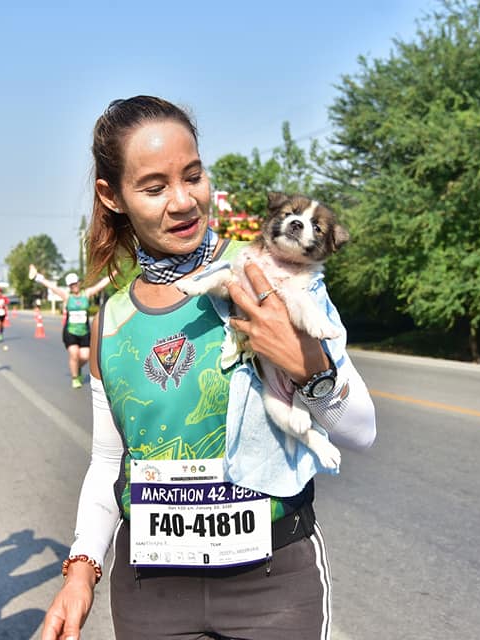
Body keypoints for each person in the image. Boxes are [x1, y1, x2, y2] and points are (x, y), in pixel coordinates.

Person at [41, 96, 376, 640]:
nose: (182, 202)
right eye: (154, 187)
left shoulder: (269, 271)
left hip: (273, 587)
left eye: (192, 176)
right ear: (113, 195)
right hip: (151, 594)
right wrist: (81, 570)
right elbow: (109, 462)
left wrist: (307, 366)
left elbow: (361, 430)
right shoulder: (114, 320)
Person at [27, 267, 111, 388]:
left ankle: (76, 368)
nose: (74, 286)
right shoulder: (67, 296)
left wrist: (113, 272)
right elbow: (52, 287)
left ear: (79, 283)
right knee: (74, 354)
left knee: (85, 356)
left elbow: (100, 286)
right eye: (71, 285)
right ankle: (75, 378)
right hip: (70, 331)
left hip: (84, 332)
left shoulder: (86, 294)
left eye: (75, 283)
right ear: (69, 286)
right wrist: (38, 277)